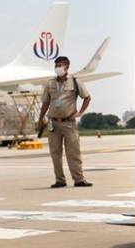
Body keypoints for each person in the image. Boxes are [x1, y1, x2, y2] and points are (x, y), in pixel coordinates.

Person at [37, 56, 93, 188]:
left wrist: (80, 112)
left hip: (69, 122)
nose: (57, 68)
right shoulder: (50, 83)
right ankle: (60, 180)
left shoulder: (74, 81)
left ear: (67, 66)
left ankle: (79, 179)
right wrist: (40, 119)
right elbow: (45, 102)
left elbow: (87, 97)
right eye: (56, 66)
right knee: (55, 153)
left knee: (73, 152)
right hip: (53, 123)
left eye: (59, 65)